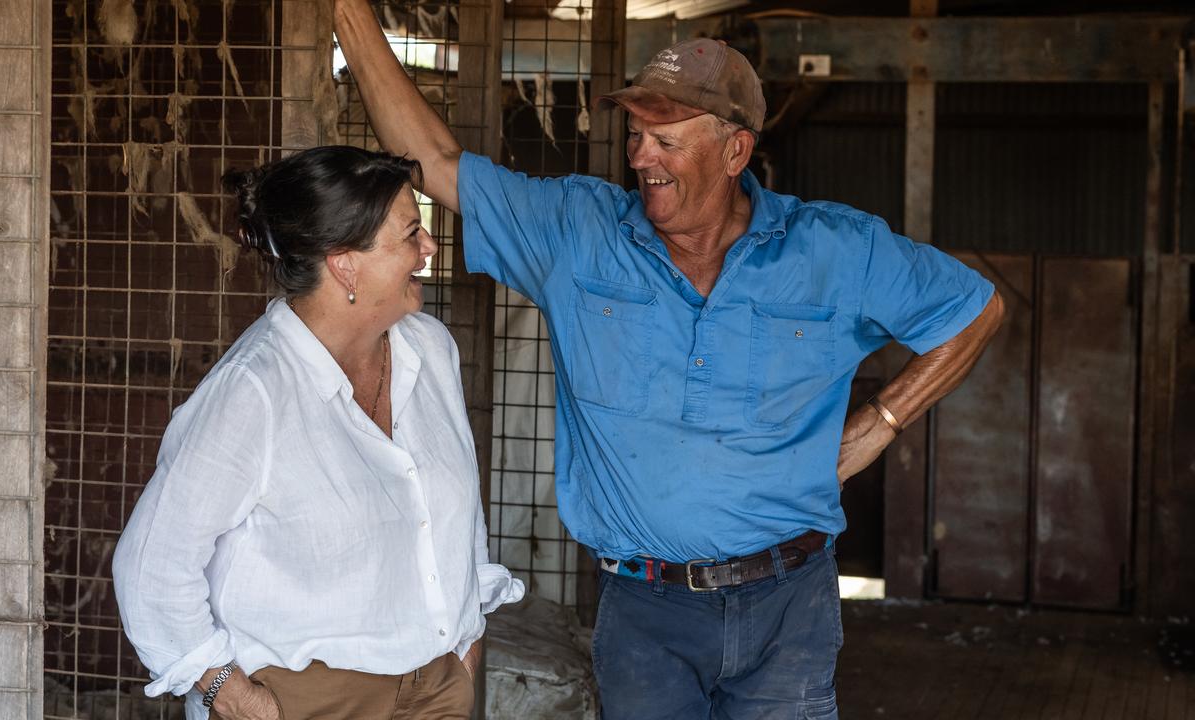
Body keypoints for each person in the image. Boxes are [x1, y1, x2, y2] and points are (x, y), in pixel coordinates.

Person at [332, 3, 1005, 717]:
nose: (640, 157)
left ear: (736, 152)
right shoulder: (579, 232)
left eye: (665, 140)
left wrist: (880, 423)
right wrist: (345, 10)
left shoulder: (834, 250)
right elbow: (434, 162)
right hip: (645, 612)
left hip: (790, 606)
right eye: (636, 136)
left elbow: (974, 311)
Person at [111, 146, 524, 720]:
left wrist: (467, 643)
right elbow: (151, 569)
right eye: (410, 235)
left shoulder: (429, 348)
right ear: (345, 264)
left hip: (435, 689)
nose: (428, 249)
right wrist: (233, 697)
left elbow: (457, 510)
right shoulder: (251, 392)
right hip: (305, 699)